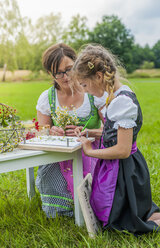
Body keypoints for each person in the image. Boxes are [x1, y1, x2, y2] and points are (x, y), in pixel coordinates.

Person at [73, 44, 160, 235]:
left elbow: (122, 149)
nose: (86, 91)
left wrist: (90, 151)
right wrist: (91, 132)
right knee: (138, 215)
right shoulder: (115, 97)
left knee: (129, 223)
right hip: (123, 168)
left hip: (125, 171)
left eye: (84, 85)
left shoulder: (121, 102)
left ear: (98, 76)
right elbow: (113, 131)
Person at [35, 43, 107, 218]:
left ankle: (92, 206)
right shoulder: (47, 98)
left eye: (68, 69)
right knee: (48, 173)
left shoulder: (93, 91)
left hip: (91, 151)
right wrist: (51, 132)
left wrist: (88, 132)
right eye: (58, 72)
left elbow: (110, 130)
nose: (65, 76)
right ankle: (64, 208)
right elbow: (41, 133)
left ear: (76, 64)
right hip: (61, 155)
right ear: (50, 74)